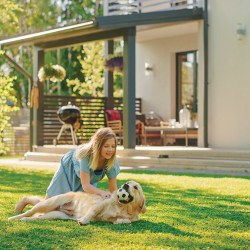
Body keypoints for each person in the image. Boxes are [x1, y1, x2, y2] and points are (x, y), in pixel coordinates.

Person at [15, 127, 120, 213]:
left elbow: (113, 189)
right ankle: (27, 200)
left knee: (70, 209)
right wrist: (101, 193)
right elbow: (86, 185)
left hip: (86, 180)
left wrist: (116, 205)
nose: (110, 150)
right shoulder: (85, 156)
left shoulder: (111, 161)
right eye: (106, 146)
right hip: (68, 170)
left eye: (113, 146)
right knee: (50, 205)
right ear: (97, 146)